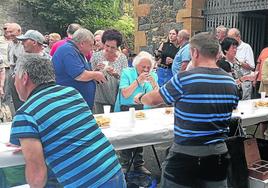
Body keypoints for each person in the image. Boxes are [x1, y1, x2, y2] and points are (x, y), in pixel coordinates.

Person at [135, 32, 239, 188]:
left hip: (186, 153)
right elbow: (232, 106)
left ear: (195, 52)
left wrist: (141, 96)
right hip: (218, 154)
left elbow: (154, 99)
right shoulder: (230, 82)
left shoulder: (184, 78)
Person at [9, 53, 125, 187]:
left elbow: (37, 177)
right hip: (113, 171)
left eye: (14, 76)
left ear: (24, 78)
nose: (14, 81)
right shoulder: (71, 92)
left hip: (85, 183)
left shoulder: (26, 114)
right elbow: (68, 130)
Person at [114, 51, 158, 175]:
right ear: (136, 65)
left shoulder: (153, 75)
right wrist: (138, 81)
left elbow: (156, 95)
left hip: (143, 110)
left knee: (140, 136)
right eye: (143, 66)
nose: (146, 69)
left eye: (149, 67)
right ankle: (124, 163)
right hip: (125, 108)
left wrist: (153, 83)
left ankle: (139, 164)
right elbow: (125, 93)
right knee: (126, 137)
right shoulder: (127, 73)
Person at [52, 28, 106, 109]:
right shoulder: (68, 50)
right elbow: (80, 75)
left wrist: (94, 72)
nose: (92, 49)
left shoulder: (74, 51)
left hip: (76, 103)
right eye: (90, 45)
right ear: (82, 43)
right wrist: (96, 74)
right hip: (70, 103)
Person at [91, 29, 128, 114]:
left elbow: (126, 79)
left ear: (117, 47)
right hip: (100, 96)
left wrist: (115, 73)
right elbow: (91, 78)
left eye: (113, 47)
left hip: (117, 97)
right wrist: (96, 70)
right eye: (107, 46)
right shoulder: (96, 56)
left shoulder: (122, 58)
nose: (109, 49)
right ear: (103, 43)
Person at [228, 28, 255, 100]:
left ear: (238, 37)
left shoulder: (246, 47)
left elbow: (252, 67)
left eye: (231, 38)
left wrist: (238, 62)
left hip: (244, 83)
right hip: (232, 82)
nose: (229, 40)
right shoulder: (229, 47)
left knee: (244, 105)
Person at [6, 23, 25, 112]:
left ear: (19, 31)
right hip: (12, 72)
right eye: (7, 32)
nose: (9, 34)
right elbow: (10, 59)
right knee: (15, 99)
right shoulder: (10, 44)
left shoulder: (24, 43)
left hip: (22, 74)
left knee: (23, 98)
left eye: (11, 32)